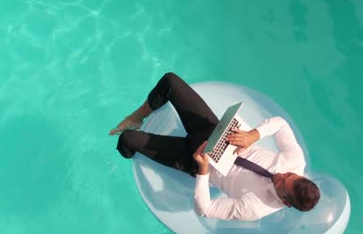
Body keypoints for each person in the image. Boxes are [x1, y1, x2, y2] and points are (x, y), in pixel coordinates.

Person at [109, 72, 320, 221]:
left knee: (127, 140)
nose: (281, 175)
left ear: (286, 203)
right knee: (170, 81)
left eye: (283, 183)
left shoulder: (254, 209)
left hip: (197, 160)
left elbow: (205, 210)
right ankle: (136, 117)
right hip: (216, 132)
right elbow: (280, 124)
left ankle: (129, 156)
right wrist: (253, 135)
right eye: (289, 175)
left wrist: (203, 171)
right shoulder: (295, 162)